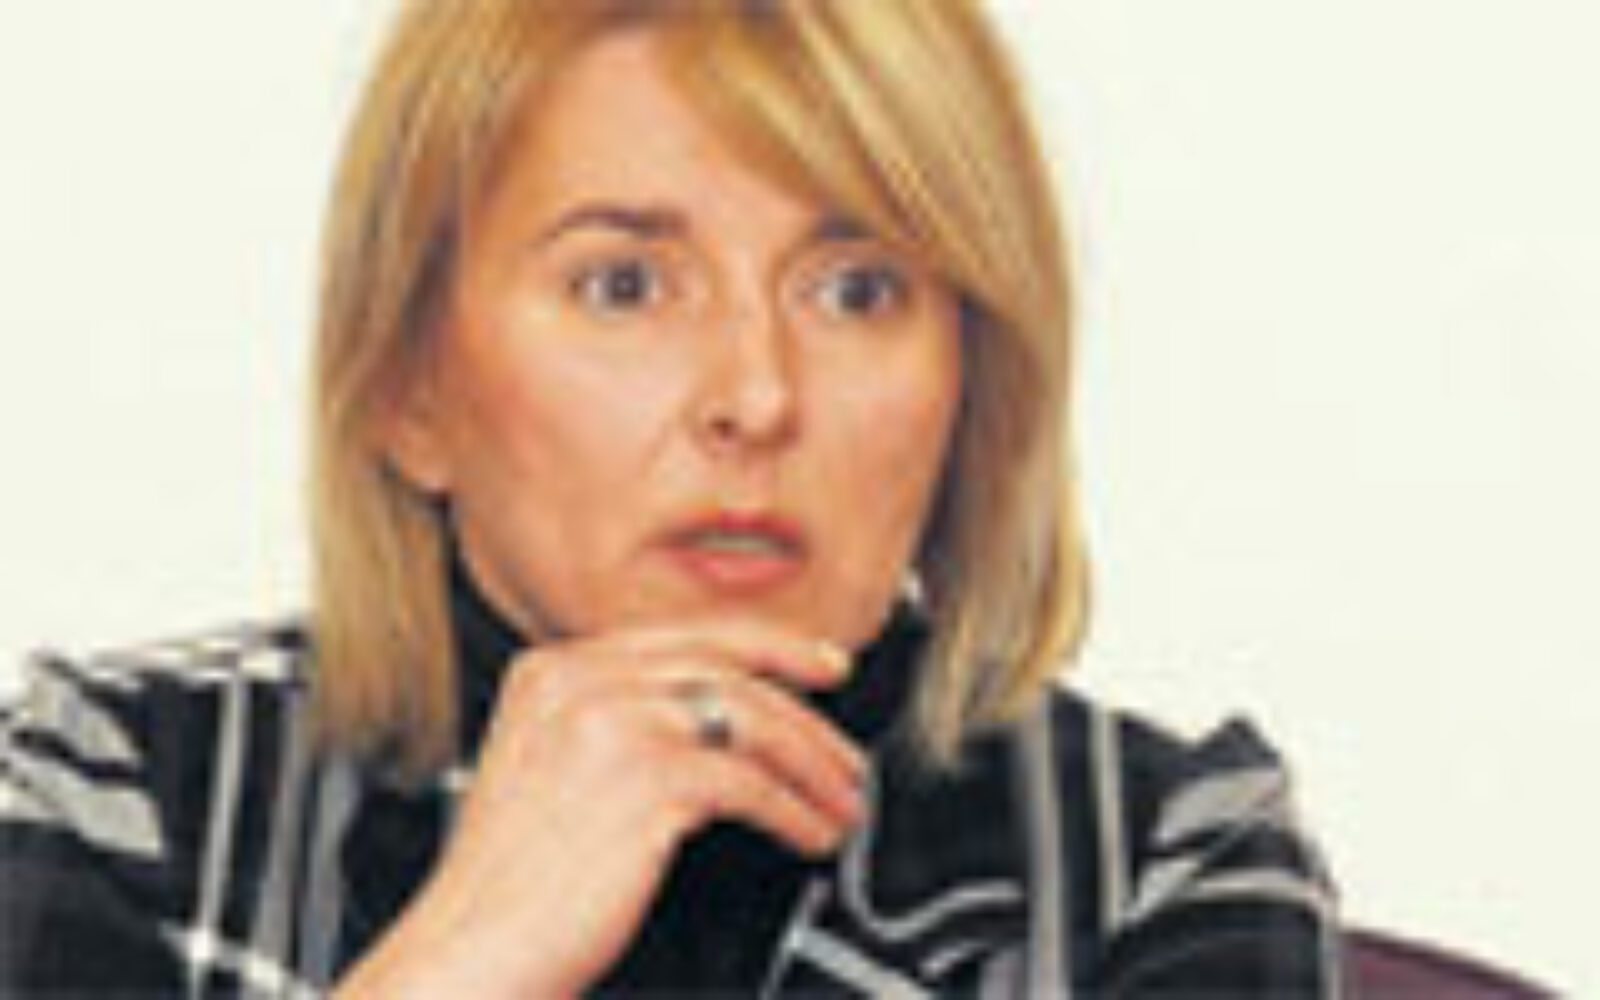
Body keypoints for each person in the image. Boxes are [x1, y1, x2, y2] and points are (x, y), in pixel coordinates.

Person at [0, 0, 1342, 995]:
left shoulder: (1154, 859)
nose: (756, 396)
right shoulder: (118, 796)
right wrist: (470, 953)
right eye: (625, 286)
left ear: (971, 383)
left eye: (856, 291)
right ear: (410, 387)